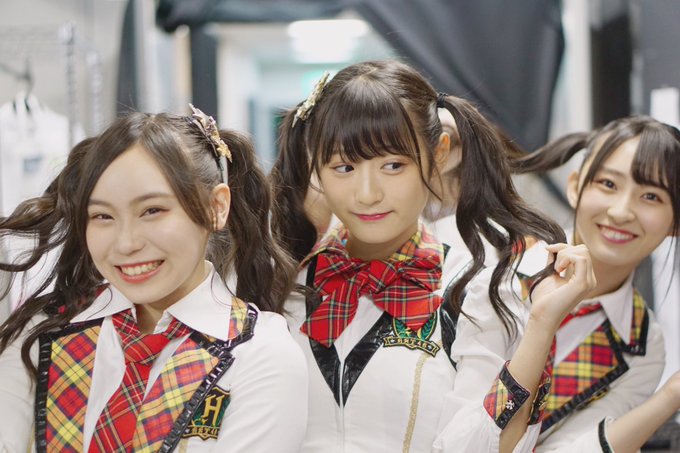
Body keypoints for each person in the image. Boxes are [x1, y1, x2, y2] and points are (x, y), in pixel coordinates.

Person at [270, 59, 596, 452]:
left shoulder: (473, 291)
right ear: (315, 166)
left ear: (438, 153)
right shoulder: (281, 285)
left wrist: (540, 325)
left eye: (393, 165)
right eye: (344, 167)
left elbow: (484, 446)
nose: (367, 193)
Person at [0, 107, 308, 452]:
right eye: (102, 216)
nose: (126, 243)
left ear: (216, 207)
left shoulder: (261, 354)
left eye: (152, 211)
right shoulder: (43, 333)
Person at [512, 115, 680, 452]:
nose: (621, 212)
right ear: (575, 186)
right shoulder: (503, 261)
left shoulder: (642, 344)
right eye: (608, 184)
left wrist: (671, 397)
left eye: (651, 196)